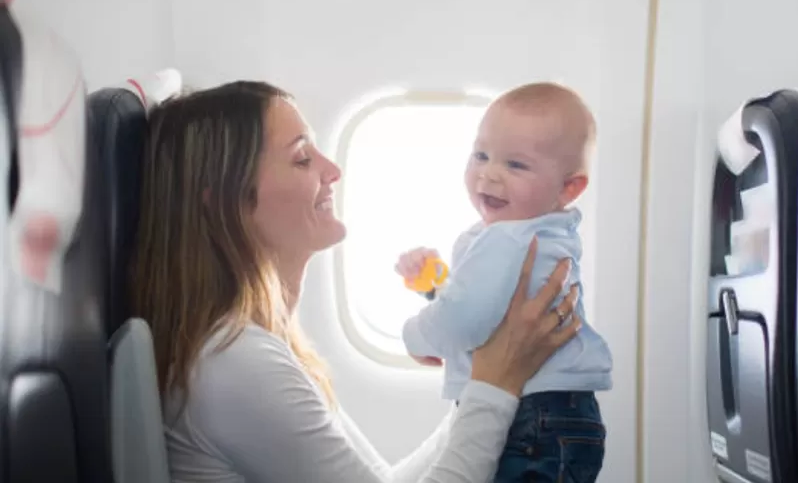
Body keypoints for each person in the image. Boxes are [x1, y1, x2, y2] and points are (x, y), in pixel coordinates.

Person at [129, 80, 583, 483]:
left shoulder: (263, 343)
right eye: (302, 158)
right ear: (224, 203)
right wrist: (496, 383)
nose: (332, 170)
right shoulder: (234, 362)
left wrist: (485, 373)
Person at [396, 82, 613, 482]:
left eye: (516, 165)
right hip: (561, 417)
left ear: (569, 187)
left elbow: (465, 320)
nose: (489, 174)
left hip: (532, 418)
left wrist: (414, 337)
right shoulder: (540, 232)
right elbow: (493, 305)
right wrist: (436, 284)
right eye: (481, 155)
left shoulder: (506, 237)